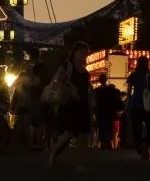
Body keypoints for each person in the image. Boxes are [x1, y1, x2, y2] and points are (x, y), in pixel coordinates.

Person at [48, 42, 93, 172]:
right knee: (70, 133)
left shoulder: (85, 72)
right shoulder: (67, 67)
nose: (83, 55)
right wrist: (71, 90)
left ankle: (80, 164)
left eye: (85, 53)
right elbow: (57, 81)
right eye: (81, 52)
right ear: (74, 53)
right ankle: (53, 153)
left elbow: (87, 90)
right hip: (70, 104)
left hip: (83, 105)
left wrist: (90, 106)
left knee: (82, 136)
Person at [126, 57, 150, 159]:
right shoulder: (149, 75)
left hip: (135, 104)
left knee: (136, 129)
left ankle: (140, 147)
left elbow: (129, 92)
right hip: (147, 104)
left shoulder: (133, 75)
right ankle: (146, 144)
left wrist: (127, 105)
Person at [93, 75, 123, 150]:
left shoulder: (97, 91)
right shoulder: (112, 90)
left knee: (102, 132)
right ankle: (108, 147)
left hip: (101, 114)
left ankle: (105, 147)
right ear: (106, 80)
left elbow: (95, 104)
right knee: (109, 132)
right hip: (110, 114)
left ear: (99, 81)